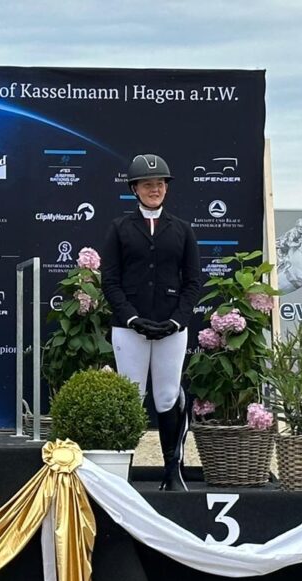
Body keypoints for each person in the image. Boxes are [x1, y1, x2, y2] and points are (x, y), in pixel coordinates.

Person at [100, 153, 202, 491]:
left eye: (159, 184)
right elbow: (110, 280)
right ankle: (123, 473)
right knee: (131, 396)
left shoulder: (182, 230)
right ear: (135, 189)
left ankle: (172, 471)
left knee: (167, 395)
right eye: (147, 184)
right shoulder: (120, 228)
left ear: (166, 188)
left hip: (171, 327)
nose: (154, 189)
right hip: (129, 326)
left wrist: (176, 321)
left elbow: (193, 282)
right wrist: (131, 317)